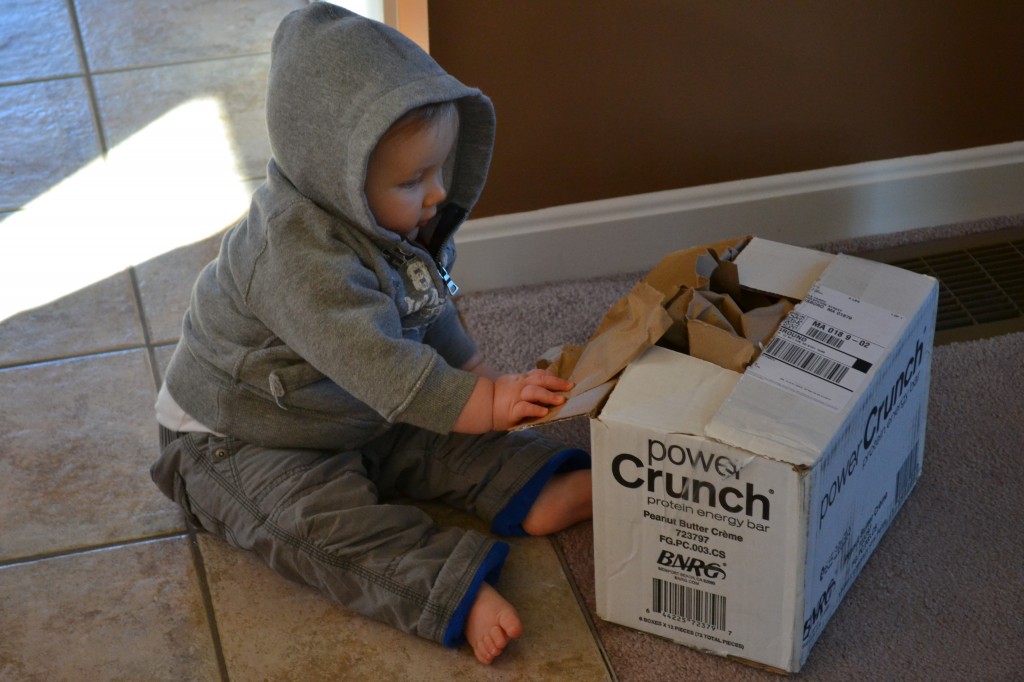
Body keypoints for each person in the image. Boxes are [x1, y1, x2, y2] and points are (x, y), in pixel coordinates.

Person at [150, 2, 592, 666]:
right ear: (338, 176)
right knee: (319, 527)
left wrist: (473, 375)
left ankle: (534, 489)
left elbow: (424, 306)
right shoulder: (295, 257)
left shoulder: (394, 228)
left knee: (444, 426)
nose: (437, 193)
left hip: (347, 405)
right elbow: (384, 366)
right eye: (413, 181)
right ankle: (450, 589)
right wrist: (486, 402)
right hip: (237, 439)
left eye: (439, 170)